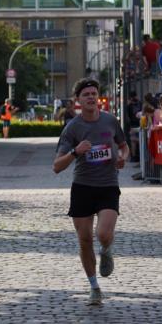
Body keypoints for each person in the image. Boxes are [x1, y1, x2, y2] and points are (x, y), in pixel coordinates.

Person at [53, 78, 129, 305]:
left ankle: (106, 249)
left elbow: (124, 146)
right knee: (84, 239)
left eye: (94, 93)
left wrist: (122, 158)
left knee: (103, 233)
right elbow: (57, 166)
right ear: (78, 100)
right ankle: (94, 287)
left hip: (107, 185)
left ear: (98, 97)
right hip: (83, 187)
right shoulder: (73, 127)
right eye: (86, 94)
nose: (91, 97)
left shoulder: (110, 121)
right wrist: (76, 152)